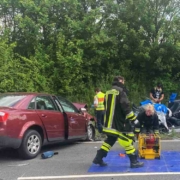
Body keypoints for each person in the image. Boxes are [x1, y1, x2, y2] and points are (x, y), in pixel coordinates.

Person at [92, 76, 144, 168]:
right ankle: (134, 162)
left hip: (108, 123)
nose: (124, 83)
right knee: (126, 141)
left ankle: (98, 158)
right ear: (120, 81)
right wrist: (133, 119)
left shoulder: (107, 93)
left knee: (110, 141)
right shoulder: (120, 92)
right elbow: (125, 107)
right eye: (123, 81)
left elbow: (106, 106)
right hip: (118, 123)